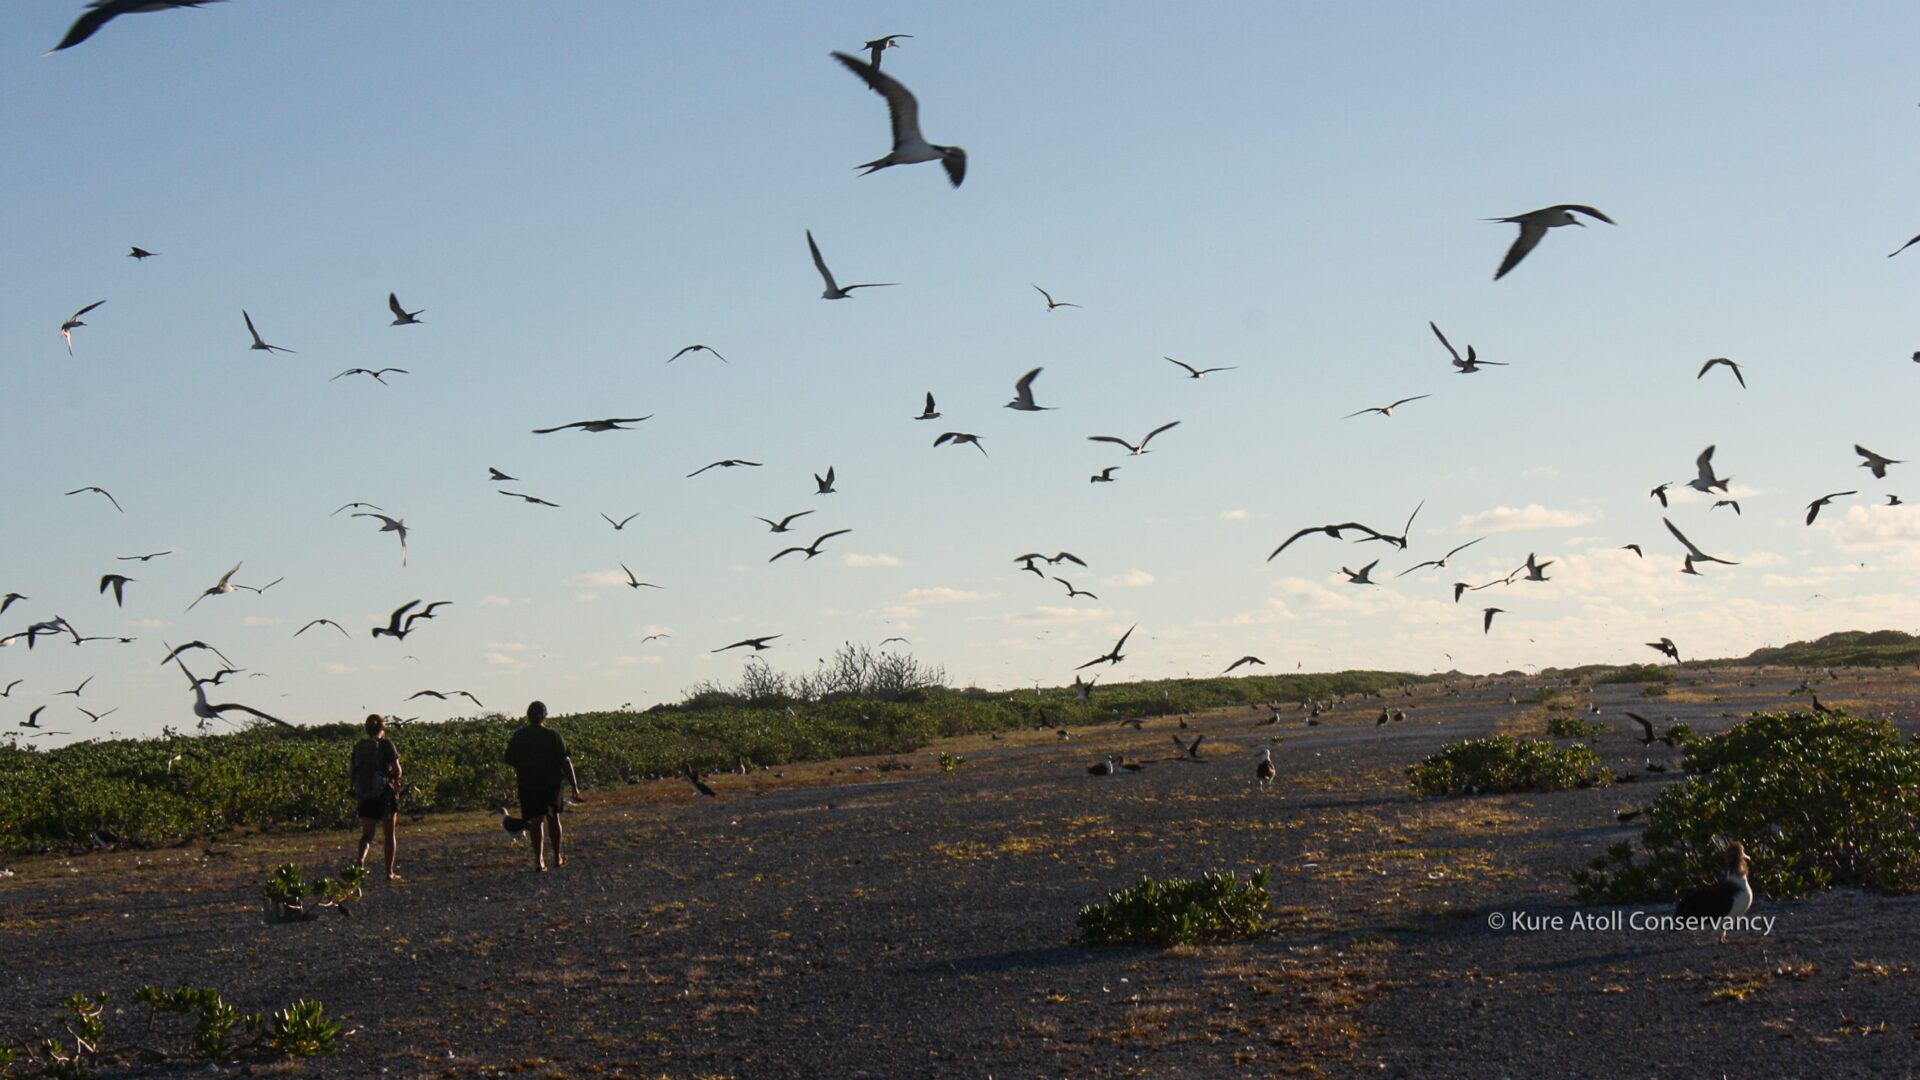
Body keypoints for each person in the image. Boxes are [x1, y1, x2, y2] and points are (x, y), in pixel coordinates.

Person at [503, 700, 582, 871]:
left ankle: (539, 861)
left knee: (535, 822)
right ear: (545, 716)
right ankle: (556, 857)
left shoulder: (519, 736)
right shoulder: (553, 735)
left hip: (528, 786)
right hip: (551, 786)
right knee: (553, 819)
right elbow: (565, 761)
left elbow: (510, 759)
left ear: (528, 716)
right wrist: (574, 786)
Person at [351, 714, 403, 881]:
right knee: (389, 835)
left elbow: (353, 771)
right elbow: (397, 770)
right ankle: (389, 872)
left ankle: (360, 861)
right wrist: (395, 780)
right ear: (383, 728)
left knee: (367, 836)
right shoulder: (387, 745)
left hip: (366, 795)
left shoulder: (360, 746)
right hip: (385, 794)